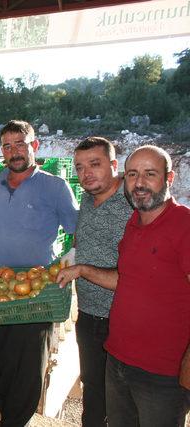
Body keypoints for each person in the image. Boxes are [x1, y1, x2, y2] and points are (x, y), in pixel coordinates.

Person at [58, 145, 190, 426]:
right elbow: (126, 278)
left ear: (169, 179)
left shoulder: (184, 225)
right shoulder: (134, 223)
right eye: (133, 175)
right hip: (118, 356)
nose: (139, 183)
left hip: (162, 370)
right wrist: (80, 268)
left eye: (149, 174)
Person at [0, 120, 78, 427]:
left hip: (37, 288)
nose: (13, 151)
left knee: (29, 363)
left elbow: (76, 230)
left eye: (20, 143)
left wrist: (70, 258)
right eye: (7, 145)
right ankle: (9, 417)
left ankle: (15, 422)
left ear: (34, 146)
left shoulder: (55, 187)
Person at [58, 137, 132, 426]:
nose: (86, 173)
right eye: (79, 167)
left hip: (120, 317)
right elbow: (84, 235)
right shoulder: (88, 198)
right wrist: (75, 250)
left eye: (95, 164)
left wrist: (82, 269)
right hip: (89, 314)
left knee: (122, 397)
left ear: (114, 165)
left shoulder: (131, 202)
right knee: (93, 389)